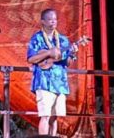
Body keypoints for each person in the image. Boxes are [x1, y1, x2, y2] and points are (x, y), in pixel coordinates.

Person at [26, 8, 78, 136]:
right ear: (42, 21)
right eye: (50, 19)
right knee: (45, 115)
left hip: (59, 82)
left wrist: (72, 54)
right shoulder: (37, 38)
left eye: (55, 19)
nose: (53, 22)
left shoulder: (63, 40)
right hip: (43, 82)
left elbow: (67, 63)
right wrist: (49, 52)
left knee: (54, 117)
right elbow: (31, 58)